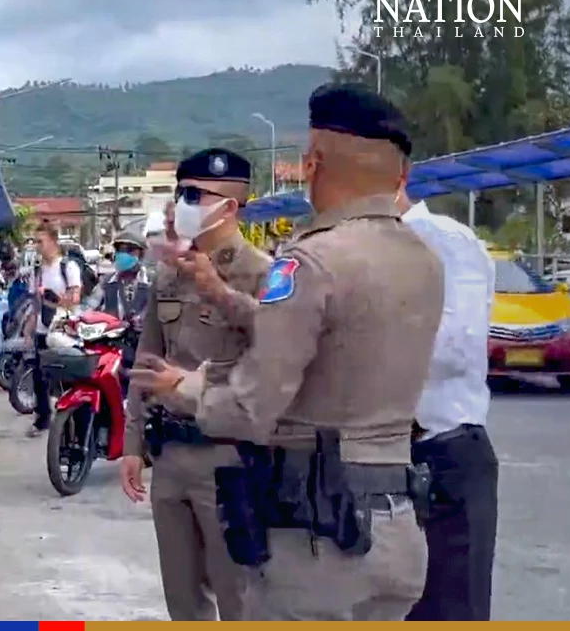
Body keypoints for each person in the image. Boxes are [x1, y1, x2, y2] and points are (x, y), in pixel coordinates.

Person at [130, 84, 443, 621]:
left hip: (320, 539)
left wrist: (185, 389)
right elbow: (328, 341)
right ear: (401, 175)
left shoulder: (308, 263)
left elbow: (251, 407)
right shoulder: (423, 259)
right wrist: (224, 298)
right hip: (396, 527)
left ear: (313, 164)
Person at [120, 150, 271, 621]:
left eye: (193, 195)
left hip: (230, 458)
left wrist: (222, 293)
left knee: (239, 598)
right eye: (180, 193)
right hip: (171, 455)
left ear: (229, 207)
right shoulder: (170, 273)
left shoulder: (261, 273)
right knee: (183, 602)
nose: (181, 205)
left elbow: (279, 354)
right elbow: (148, 359)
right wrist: (132, 442)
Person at [398, 190, 497, 620]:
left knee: (449, 607)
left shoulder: (444, 240)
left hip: (440, 453)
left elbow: (454, 348)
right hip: (370, 459)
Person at [28, 221, 82, 437]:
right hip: (43, 328)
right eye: (35, 242)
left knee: (66, 376)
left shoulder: (67, 267)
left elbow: (75, 298)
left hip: (63, 330)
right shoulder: (38, 270)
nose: (37, 246)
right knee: (40, 377)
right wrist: (29, 328)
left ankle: (71, 421)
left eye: (40, 241)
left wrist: (53, 297)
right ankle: (42, 419)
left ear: (52, 241)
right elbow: (35, 302)